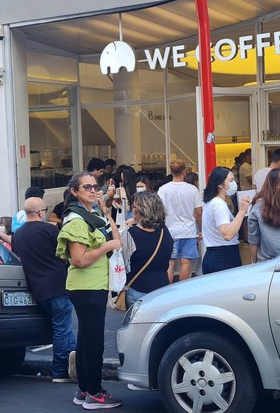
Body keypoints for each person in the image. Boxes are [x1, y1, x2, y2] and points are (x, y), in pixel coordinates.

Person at [56, 172, 123, 409]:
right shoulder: (76, 220)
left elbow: (117, 239)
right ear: (74, 191)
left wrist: (106, 212)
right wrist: (106, 245)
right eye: (87, 187)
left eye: (96, 187)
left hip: (93, 286)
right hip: (87, 287)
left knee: (86, 341)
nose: (94, 190)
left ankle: (85, 389)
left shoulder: (91, 215)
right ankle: (94, 392)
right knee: (93, 343)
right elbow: (79, 260)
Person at [10, 197, 76, 383]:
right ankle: (60, 370)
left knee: (62, 326)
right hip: (57, 284)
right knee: (62, 328)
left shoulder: (18, 235)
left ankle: (76, 363)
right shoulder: (50, 229)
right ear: (40, 212)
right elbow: (65, 254)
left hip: (38, 288)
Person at [120, 192, 173, 307]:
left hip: (138, 289)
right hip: (162, 287)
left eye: (134, 206)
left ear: (140, 210)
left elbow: (124, 263)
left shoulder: (130, 234)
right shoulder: (164, 230)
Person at [157, 159, 203, 282]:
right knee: (186, 261)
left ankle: (166, 290)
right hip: (188, 230)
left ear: (171, 172)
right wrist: (201, 229)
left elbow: (159, 211)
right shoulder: (192, 189)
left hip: (170, 231)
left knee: (170, 262)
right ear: (184, 172)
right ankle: (182, 290)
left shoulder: (163, 189)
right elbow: (198, 212)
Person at [201, 167, 250, 274]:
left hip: (213, 255)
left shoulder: (210, 202)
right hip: (224, 257)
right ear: (220, 185)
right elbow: (227, 234)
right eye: (231, 180)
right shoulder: (219, 204)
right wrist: (242, 211)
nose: (234, 184)